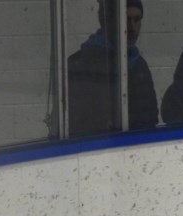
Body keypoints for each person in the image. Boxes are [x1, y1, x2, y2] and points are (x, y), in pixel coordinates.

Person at [67, 0, 158, 136]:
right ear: (109, 22)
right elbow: (79, 124)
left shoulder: (140, 66)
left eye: (137, 19)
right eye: (125, 19)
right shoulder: (82, 64)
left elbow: (151, 117)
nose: (132, 28)